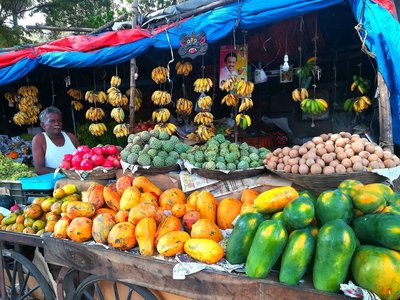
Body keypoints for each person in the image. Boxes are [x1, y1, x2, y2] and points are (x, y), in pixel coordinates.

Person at [32, 106, 80, 174]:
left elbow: (83, 158)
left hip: (77, 179)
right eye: (52, 121)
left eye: (59, 120)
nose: (57, 123)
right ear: (43, 125)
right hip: (54, 182)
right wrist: (64, 173)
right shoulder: (40, 139)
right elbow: (39, 169)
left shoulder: (71, 137)